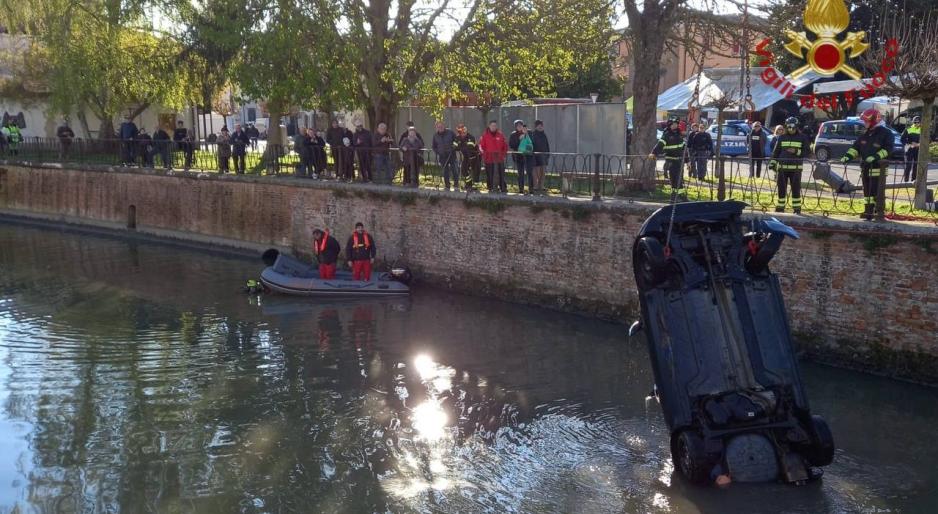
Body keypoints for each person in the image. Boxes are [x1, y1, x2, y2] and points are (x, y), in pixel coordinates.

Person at [841, 108, 895, 220]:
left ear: (874, 121)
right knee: (867, 192)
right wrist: (848, 156)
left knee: (876, 192)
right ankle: (868, 211)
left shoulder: (886, 133)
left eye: (866, 121)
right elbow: (856, 148)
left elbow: (888, 149)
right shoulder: (865, 134)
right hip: (865, 167)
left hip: (878, 170)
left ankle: (878, 212)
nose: (864, 123)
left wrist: (875, 157)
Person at [769, 116, 811, 214]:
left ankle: (797, 208)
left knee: (795, 189)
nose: (790, 129)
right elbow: (776, 152)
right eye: (788, 126)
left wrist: (796, 151)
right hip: (782, 168)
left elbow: (807, 152)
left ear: (796, 126)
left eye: (792, 126)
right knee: (781, 189)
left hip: (796, 168)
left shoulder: (802, 137)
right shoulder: (781, 137)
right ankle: (780, 207)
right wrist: (772, 163)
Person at [648, 116, 687, 200]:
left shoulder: (679, 134)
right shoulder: (667, 135)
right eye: (673, 124)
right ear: (669, 125)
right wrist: (654, 153)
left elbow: (683, 147)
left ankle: (680, 195)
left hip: (679, 160)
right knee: (674, 178)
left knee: (680, 178)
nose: (675, 126)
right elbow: (660, 145)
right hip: (671, 160)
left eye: (676, 124)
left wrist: (688, 160)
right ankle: (674, 195)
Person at [479, 120, 508, 193]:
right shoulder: (485, 135)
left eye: (495, 125)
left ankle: (503, 187)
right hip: (489, 159)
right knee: (489, 174)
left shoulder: (500, 135)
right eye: (492, 125)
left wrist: (503, 155)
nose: (493, 127)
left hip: (499, 159)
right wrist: (484, 155)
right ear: (489, 126)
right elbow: (481, 146)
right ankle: (490, 188)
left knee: (501, 173)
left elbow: (505, 146)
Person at [454, 123, 481, 192]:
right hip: (466, 156)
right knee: (464, 170)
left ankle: (475, 187)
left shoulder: (470, 137)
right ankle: (469, 184)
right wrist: (457, 147)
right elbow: (454, 147)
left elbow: (469, 148)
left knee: (475, 171)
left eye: (464, 132)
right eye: (461, 132)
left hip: (474, 156)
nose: (463, 133)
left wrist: (459, 147)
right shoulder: (457, 138)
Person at [432, 121, 458, 190]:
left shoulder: (450, 132)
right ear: (436, 128)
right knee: (445, 171)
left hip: (451, 154)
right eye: (438, 127)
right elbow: (434, 146)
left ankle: (456, 185)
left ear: (444, 126)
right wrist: (438, 152)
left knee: (454, 170)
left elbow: (456, 140)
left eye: (441, 126)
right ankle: (447, 185)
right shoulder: (435, 136)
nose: (440, 128)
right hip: (442, 156)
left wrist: (454, 146)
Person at [531, 120, 550, 195]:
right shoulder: (533, 134)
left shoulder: (544, 135)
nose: (540, 127)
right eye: (539, 125)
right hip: (536, 156)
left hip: (544, 156)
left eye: (541, 125)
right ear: (536, 126)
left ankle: (541, 186)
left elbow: (547, 145)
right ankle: (535, 186)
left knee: (543, 172)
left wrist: (548, 154)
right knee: (536, 172)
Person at [901, 116, 922, 182]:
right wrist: (910, 143)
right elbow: (902, 139)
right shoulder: (908, 129)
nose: (916, 123)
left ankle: (914, 180)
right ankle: (906, 181)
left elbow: (928, 140)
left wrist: (919, 144)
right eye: (915, 122)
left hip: (918, 149)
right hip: (909, 149)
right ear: (913, 122)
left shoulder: (923, 130)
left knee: (916, 166)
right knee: (908, 165)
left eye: (918, 122)